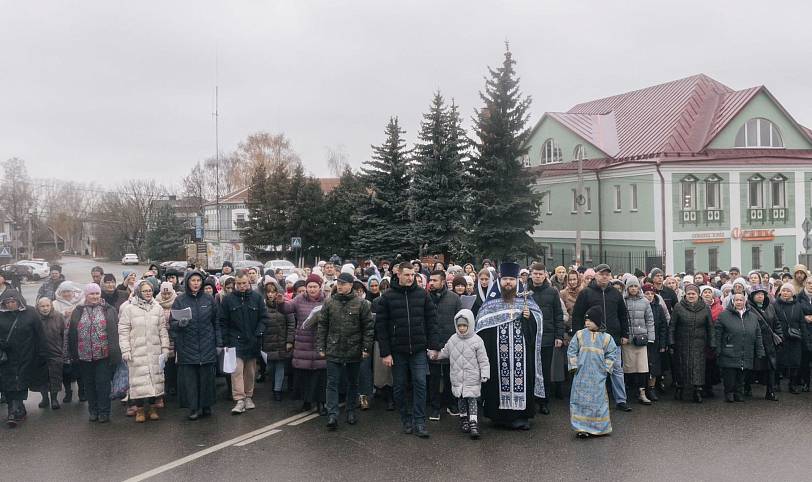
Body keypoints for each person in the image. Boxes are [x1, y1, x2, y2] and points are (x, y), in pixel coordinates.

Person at [475, 262, 543, 431]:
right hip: (498, 353)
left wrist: (530, 318)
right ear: (499, 280)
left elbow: (538, 321)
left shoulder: (525, 299)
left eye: (511, 279)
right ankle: (499, 417)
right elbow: (482, 325)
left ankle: (521, 417)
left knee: (522, 379)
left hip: (522, 352)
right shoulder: (491, 303)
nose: (508, 282)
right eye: (505, 279)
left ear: (517, 281)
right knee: (498, 381)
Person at [375, 262, 439, 438]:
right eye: (407, 275)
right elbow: (381, 327)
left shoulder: (423, 295)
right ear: (399, 275)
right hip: (397, 350)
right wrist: (385, 353)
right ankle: (406, 419)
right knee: (400, 386)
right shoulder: (387, 297)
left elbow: (431, 322)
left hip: (418, 348)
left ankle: (420, 421)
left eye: (413, 275)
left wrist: (433, 346)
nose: (411, 278)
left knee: (420, 383)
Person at [571, 264, 632, 411]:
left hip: (613, 338)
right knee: (593, 370)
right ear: (596, 275)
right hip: (592, 339)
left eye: (607, 274)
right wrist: (579, 336)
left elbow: (623, 315)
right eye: (601, 274)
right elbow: (577, 315)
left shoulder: (616, 294)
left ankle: (621, 400)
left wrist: (625, 334)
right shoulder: (586, 293)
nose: (604, 276)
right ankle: (593, 400)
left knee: (616, 369)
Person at [318, 272, 374, 430]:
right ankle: (332, 415)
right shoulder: (329, 303)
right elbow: (322, 325)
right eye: (339, 283)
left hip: (354, 349)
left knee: (352, 383)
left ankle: (350, 411)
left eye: (343, 283)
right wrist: (321, 346)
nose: (340, 286)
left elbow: (368, 328)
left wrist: (365, 348)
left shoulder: (361, 304)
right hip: (334, 348)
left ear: (351, 285)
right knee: (332, 383)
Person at [170, 271, 221, 420]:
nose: (196, 283)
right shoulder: (180, 300)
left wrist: (218, 343)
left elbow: (216, 322)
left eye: (199, 280)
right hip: (187, 346)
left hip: (207, 345)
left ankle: (206, 405)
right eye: (193, 280)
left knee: (206, 378)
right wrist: (179, 323)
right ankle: (193, 408)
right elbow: (172, 323)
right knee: (190, 380)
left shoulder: (209, 299)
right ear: (187, 282)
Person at [68, 283, 121, 423]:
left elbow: (116, 332)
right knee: (89, 384)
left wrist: (116, 354)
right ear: (86, 295)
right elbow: (72, 333)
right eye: (91, 294)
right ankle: (93, 410)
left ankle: (104, 412)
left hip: (103, 355)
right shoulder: (78, 310)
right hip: (84, 355)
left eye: (97, 293)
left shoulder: (108, 309)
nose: (95, 296)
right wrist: (73, 354)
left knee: (103, 385)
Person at [119, 280, 170, 422]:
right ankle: (140, 410)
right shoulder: (129, 309)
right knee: (139, 382)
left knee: (155, 380)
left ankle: (153, 408)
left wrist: (165, 348)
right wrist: (125, 349)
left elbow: (162, 330)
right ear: (138, 293)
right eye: (145, 291)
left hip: (154, 349)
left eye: (150, 290)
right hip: (137, 350)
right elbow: (123, 330)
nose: (148, 293)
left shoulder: (157, 308)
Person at [435, 309, 489, 439]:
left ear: (470, 324)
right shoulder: (453, 339)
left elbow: (483, 359)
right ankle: (463, 418)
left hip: (472, 377)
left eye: (465, 325)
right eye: (459, 325)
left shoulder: (477, 340)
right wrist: (435, 355)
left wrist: (485, 373)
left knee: (472, 399)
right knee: (460, 399)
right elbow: (445, 352)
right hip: (457, 377)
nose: (462, 328)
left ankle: (473, 422)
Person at [219, 272, 268, 414]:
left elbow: (264, 318)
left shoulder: (257, 298)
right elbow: (223, 321)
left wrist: (258, 333)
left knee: (250, 372)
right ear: (235, 283)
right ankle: (239, 399)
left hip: (253, 339)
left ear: (249, 283)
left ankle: (248, 396)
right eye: (239, 283)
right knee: (237, 371)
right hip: (235, 340)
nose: (241, 286)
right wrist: (226, 341)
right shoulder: (228, 300)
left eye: (244, 283)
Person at [568, 306, 619, 438]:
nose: (587, 323)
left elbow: (612, 354)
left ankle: (599, 427)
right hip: (581, 374)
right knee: (579, 401)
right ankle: (581, 428)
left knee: (598, 401)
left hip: (598, 375)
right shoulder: (579, 334)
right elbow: (572, 350)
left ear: (597, 321)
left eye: (590, 320)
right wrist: (574, 366)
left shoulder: (607, 338)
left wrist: (606, 369)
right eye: (586, 321)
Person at [281, 274, 327, 414]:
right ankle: (306, 402)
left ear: (320, 287)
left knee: (320, 376)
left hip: (320, 342)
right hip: (303, 343)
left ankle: (322, 403)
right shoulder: (299, 299)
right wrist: (280, 303)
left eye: (315, 287)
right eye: (309, 287)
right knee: (304, 375)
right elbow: (287, 309)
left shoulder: (327, 300)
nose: (312, 289)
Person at [1, 289, 46, 428]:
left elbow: (40, 334)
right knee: (8, 383)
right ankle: (15, 409)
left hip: (26, 355)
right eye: (7, 302)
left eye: (13, 302)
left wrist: (42, 354)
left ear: (19, 301)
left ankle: (14, 410)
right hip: (6, 357)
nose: (10, 305)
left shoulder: (31, 313)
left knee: (20, 382)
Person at [526, 262, 564, 414]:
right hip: (529, 337)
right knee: (530, 370)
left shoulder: (553, 292)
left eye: (540, 274)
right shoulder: (524, 292)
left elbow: (558, 315)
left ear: (545, 275)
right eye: (535, 273)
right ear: (531, 274)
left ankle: (544, 401)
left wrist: (559, 335)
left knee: (545, 371)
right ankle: (530, 400)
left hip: (547, 338)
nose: (537, 276)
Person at [714, 293, 765, 403]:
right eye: (736, 300)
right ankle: (729, 392)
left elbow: (758, 334)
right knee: (730, 374)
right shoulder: (724, 315)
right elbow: (718, 334)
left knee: (742, 373)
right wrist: (717, 349)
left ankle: (739, 392)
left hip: (746, 349)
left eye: (741, 300)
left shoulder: (753, 317)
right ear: (732, 302)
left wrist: (760, 350)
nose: (739, 302)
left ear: (745, 301)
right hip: (729, 349)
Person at [427, 270, 462, 421]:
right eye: (430, 280)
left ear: (442, 282)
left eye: (435, 280)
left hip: (451, 345)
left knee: (451, 377)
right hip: (432, 344)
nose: (431, 283)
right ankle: (435, 408)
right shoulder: (426, 298)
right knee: (434, 378)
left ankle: (451, 404)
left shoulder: (454, 299)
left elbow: (461, 323)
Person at [669, 284, 712, 403]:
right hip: (681, 342)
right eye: (689, 294)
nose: (691, 296)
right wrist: (671, 341)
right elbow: (672, 326)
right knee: (681, 366)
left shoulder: (705, 308)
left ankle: (697, 390)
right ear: (685, 295)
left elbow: (710, 327)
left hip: (699, 343)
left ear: (698, 295)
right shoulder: (678, 307)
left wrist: (712, 343)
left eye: (694, 294)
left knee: (698, 367)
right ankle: (680, 387)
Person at [260, 278, 294, 401]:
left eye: (273, 292)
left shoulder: (284, 305)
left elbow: (291, 324)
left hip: (281, 341)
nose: (270, 294)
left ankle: (277, 390)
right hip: (268, 342)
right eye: (268, 292)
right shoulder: (262, 307)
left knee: (280, 366)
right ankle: (274, 385)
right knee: (270, 367)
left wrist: (289, 341)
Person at [747, 285, 782, 401]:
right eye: (757, 294)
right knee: (750, 367)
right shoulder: (748, 307)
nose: (760, 296)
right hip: (754, 343)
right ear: (752, 296)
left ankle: (770, 391)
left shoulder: (770, 307)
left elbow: (777, 323)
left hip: (769, 342)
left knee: (770, 367)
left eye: (762, 294)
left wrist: (779, 336)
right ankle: (746, 389)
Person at [623, 277, 655, 405]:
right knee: (627, 368)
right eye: (631, 286)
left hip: (641, 340)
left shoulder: (645, 302)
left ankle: (642, 393)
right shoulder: (623, 301)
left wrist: (651, 337)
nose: (633, 289)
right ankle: (627, 393)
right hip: (627, 340)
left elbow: (650, 320)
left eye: (635, 286)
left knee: (642, 368)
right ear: (627, 288)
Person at [774, 283, 805, 394]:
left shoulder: (798, 305)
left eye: (788, 291)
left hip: (795, 337)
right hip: (780, 337)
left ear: (792, 293)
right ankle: (776, 383)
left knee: (795, 362)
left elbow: (802, 322)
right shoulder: (775, 304)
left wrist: (804, 337)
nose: (786, 293)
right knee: (778, 361)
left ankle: (793, 384)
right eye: (784, 290)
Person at [36, 298, 65, 410]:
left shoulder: (58, 317)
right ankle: (44, 398)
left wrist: (62, 350)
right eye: (42, 306)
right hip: (39, 354)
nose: (45, 308)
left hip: (55, 352)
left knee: (55, 376)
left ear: (51, 306)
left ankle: (54, 399)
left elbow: (64, 334)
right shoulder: (35, 318)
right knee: (42, 377)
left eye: (47, 305)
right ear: (38, 307)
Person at [642, 284, 668, 400]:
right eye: (647, 293)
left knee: (654, 366)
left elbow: (663, 327)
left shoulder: (658, 307)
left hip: (655, 341)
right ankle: (642, 389)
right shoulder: (640, 306)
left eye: (652, 294)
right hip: (642, 340)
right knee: (643, 367)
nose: (650, 296)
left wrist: (663, 344)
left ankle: (651, 389)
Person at [156, 282, 178, 398]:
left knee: (175, 364)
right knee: (166, 365)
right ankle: (167, 387)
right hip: (163, 339)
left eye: (168, 293)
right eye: (164, 293)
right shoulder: (156, 302)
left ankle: (175, 386)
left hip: (175, 338)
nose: (166, 296)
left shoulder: (177, 301)